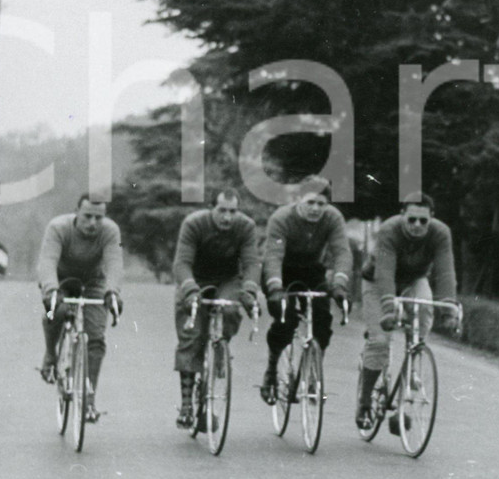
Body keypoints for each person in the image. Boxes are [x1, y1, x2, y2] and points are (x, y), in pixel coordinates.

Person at [357, 193, 457, 432]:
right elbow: (385, 271)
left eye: (423, 221)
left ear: (431, 218)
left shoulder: (441, 233)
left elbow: (444, 270)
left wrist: (449, 306)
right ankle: (365, 401)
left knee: (425, 308)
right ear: (402, 215)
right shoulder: (389, 230)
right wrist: (389, 309)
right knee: (380, 341)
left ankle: (414, 356)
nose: (417, 226)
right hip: (378, 282)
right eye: (412, 219)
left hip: (414, 279)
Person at [172, 189, 260, 429]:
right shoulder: (194, 224)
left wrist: (250, 291)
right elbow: (182, 263)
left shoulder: (246, 227)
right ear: (212, 208)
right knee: (191, 337)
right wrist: (189, 290)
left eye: (233, 211)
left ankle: (221, 345)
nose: (227, 217)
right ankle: (187, 404)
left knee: (231, 310)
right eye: (222, 210)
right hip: (196, 279)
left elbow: (252, 262)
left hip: (228, 280)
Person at [260, 183, 352, 403]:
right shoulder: (281, 218)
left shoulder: (332, 218)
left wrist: (339, 283)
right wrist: (275, 288)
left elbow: (342, 252)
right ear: (298, 200)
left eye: (321, 204)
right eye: (310, 202)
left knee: (323, 320)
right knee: (286, 320)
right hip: (282, 272)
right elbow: (273, 256)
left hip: (311, 270)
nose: (315, 209)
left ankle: (313, 371)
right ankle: (272, 370)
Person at [36, 192, 124, 422]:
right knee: (58, 311)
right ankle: (51, 355)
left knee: (96, 338)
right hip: (61, 279)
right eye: (87, 216)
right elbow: (47, 261)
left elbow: (114, 263)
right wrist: (50, 290)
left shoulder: (110, 231)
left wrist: (113, 292)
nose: (93, 223)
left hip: (93, 282)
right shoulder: (59, 228)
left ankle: (88, 400)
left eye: (98, 217)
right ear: (76, 213)